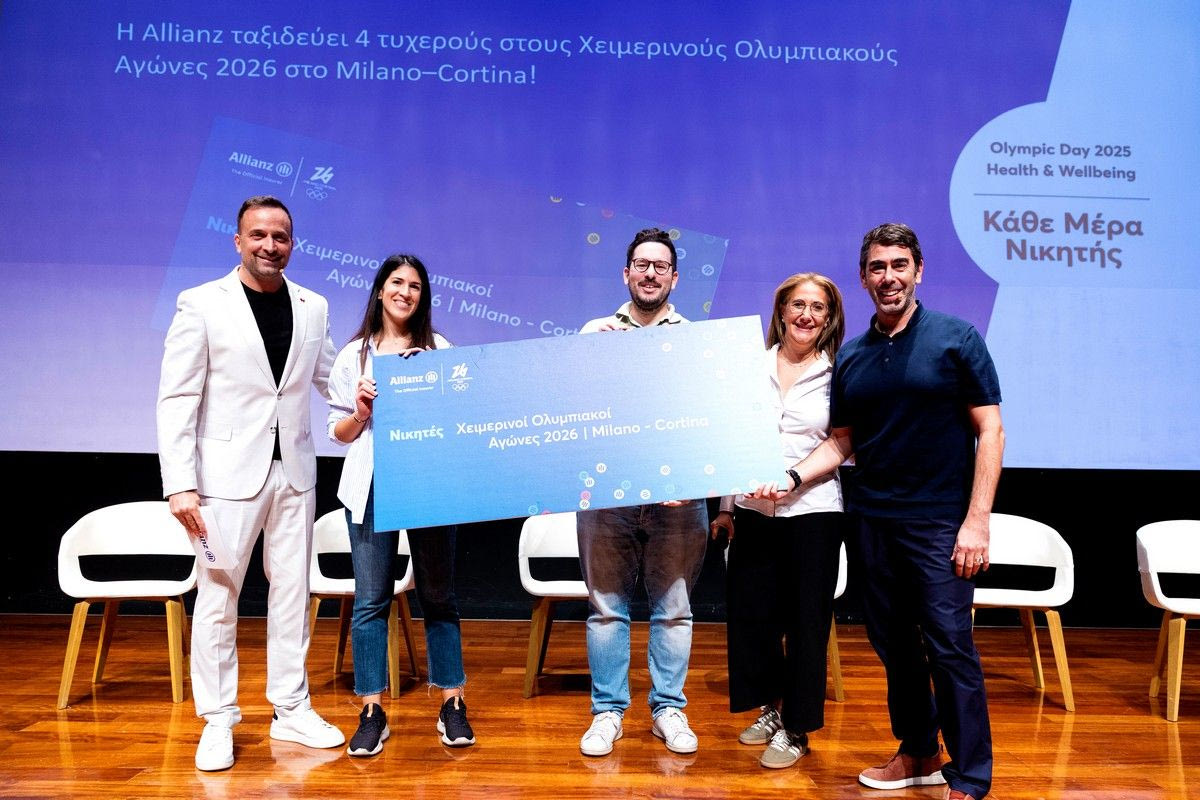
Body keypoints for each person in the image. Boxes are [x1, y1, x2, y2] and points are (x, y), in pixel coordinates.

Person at [756, 223, 1003, 800]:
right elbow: (842, 442)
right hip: (870, 521)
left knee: (949, 644)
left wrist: (977, 521)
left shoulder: (956, 338)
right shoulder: (853, 357)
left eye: (898, 265)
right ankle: (918, 750)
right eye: (877, 268)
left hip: (940, 522)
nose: (888, 277)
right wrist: (791, 478)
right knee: (894, 644)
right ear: (863, 278)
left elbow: (990, 430)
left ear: (918, 270)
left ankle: (971, 774)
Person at [157, 195, 343, 772]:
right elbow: (178, 397)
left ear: (293, 244)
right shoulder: (201, 303)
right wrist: (180, 484)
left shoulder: (313, 306)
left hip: (296, 472)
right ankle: (218, 719)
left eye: (280, 236)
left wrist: (402, 380)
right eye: (258, 235)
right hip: (222, 480)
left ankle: (291, 707)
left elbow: (333, 380)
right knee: (218, 596)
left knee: (292, 593)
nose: (270, 245)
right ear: (238, 241)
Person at [326, 254, 475, 757]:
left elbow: (462, 420)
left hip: (428, 485)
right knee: (371, 600)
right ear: (380, 290)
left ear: (422, 296)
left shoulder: (440, 351)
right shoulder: (354, 356)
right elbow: (338, 433)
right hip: (370, 487)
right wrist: (361, 411)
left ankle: (452, 702)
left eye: (415, 286)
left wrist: (430, 383)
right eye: (396, 282)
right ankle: (372, 711)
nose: (405, 292)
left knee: (439, 596)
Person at [575, 227, 710, 757]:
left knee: (674, 610)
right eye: (641, 265)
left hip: (678, 501)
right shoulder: (595, 333)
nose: (650, 273)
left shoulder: (697, 341)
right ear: (626, 273)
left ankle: (667, 709)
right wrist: (591, 359)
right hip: (608, 499)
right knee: (606, 610)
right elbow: (570, 410)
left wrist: (694, 481)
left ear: (674, 278)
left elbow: (709, 421)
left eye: (661, 266)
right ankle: (607, 713)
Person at [710, 272, 846, 770]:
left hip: (813, 512)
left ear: (829, 319)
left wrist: (794, 478)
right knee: (754, 619)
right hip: (753, 512)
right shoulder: (752, 367)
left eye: (818, 308)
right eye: (798, 305)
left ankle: (797, 729)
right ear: (782, 311)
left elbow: (844, 442)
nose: (807, 315)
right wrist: (726, 508)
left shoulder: (839, 372)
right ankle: (772, 708)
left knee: (807, 624)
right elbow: (734, 440)